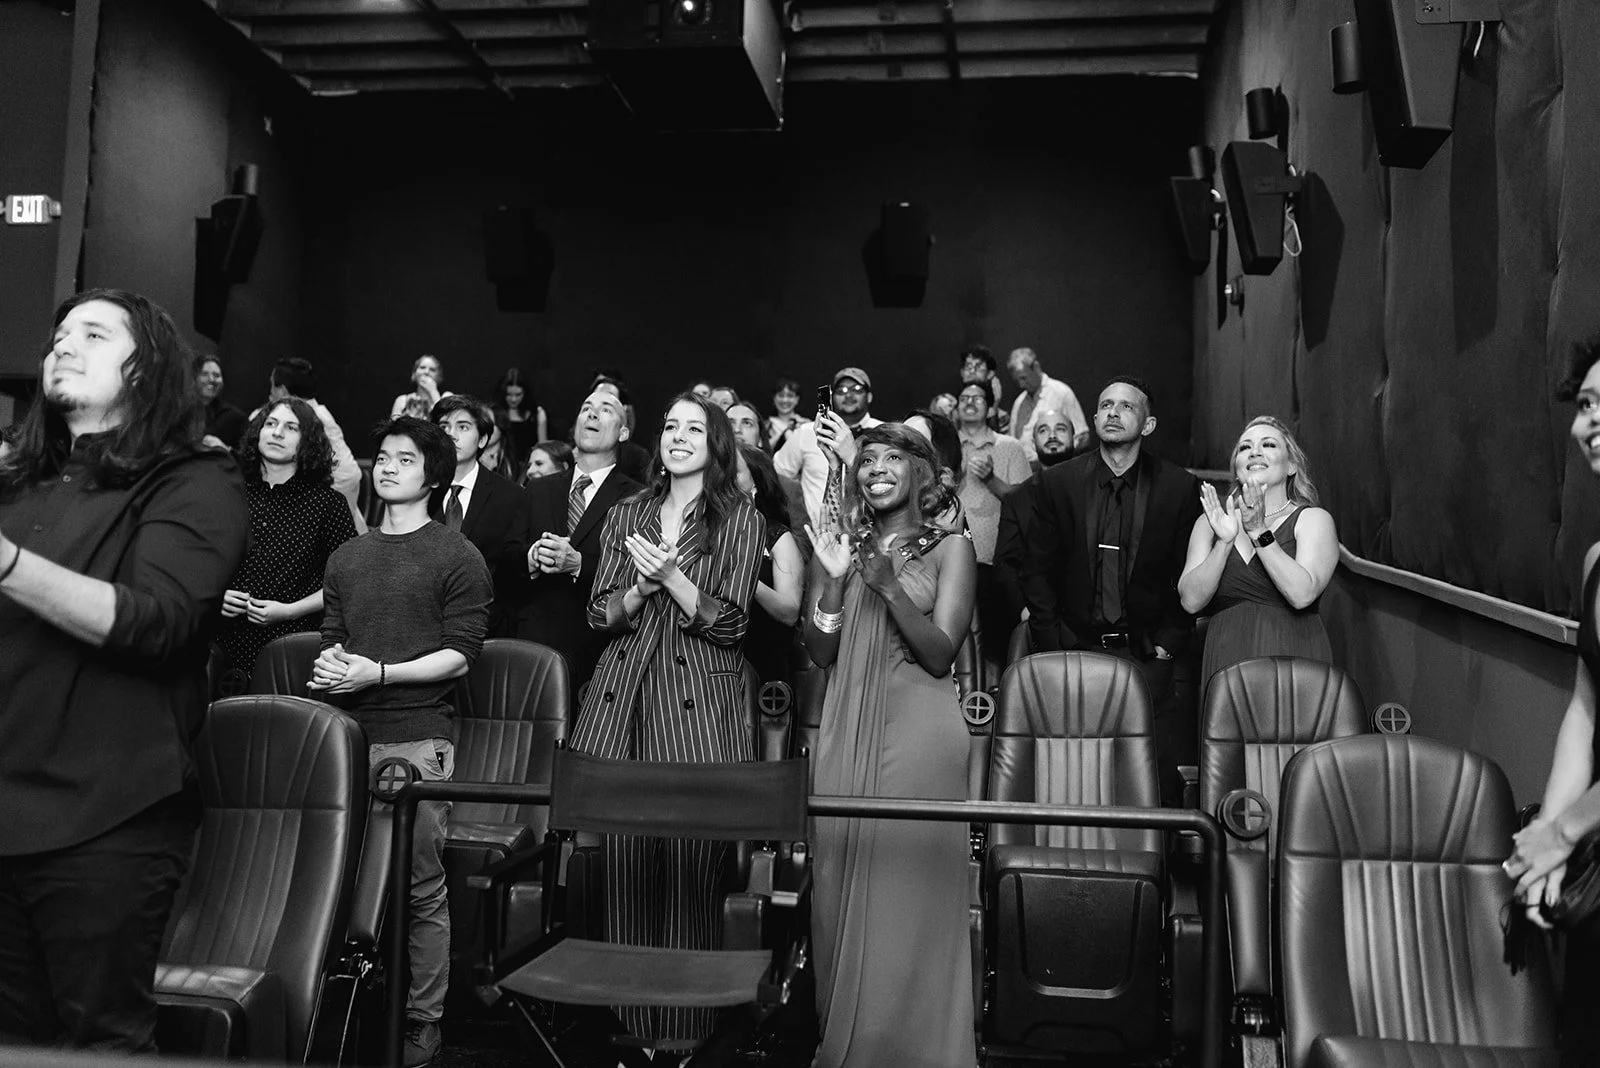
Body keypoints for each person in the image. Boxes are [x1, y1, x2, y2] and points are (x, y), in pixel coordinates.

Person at [0, 288, 249, 1051]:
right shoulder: (21, 483)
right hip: (4, 806)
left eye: (94, 334)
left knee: (100, 1048)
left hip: (104, 820)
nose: (63, 345)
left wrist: (6, 563)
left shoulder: (195, 480)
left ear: (146, 372)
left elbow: (162, 624)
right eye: (59, 335)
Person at [569, 392, 764, 1046]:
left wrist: (675, 578)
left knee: (690, 872)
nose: (679, 436)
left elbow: (733, 624)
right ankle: (632, 1037)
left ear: (716, 444)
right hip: (624, 700)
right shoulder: (628, 510)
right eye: (671, 425)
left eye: (695, 427)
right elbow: (598, 615)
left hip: (699, 708)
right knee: (624, 872)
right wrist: (640, 587)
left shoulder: (738, 516)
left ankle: (682, 1040)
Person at [311, 416, 491, 1068]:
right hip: (345, 738)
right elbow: (335, 638)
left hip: (416, 739)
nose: (386, 468)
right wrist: (332, 666)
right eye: (381, 457)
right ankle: (332, 1019)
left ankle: (422, 1027)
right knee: (332, 886)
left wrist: (378, 672)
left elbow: (460, 659)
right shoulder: (348, 556)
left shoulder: (456, 555)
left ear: (433, 474)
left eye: (404, 459)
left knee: (418, 890)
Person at [803, 423, 978, 1068]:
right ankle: (846, 1041)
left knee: (906, 890)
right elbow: (821, 650)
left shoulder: (949, 547)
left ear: (921, 473)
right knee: (838, 881)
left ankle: (914, 1048)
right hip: (845, 724)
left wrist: (885, 584)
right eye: (867, 459)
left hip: (919, 731)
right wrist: (831, 581)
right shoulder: (845, 544)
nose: (876, 467)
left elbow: (941, 653)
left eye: (893, 457)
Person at [1022, 377, 1200, 802]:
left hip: (1145, 656)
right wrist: (1050, 642)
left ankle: (1147, 865)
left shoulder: (1178, 488)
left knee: (1144, 782)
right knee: (1069, 771)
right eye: (1105, 405)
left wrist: (1169, 646)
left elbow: (1188, 573)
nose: (1113, 413)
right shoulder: (1058, 483)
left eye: (1126, 406)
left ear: (1149, 424)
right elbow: (1037, 570)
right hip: (1072, 649)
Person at [1506, 338, 1600, 1066]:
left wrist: (1564, 832)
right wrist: (1547, 856)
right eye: (1585, 405)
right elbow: (1585, 711)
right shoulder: (1598, 559)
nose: (1583, 423)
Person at [1178, 416, 1336, 689]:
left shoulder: (1313, 520)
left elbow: (1302, 595)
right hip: (1225, 661)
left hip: (1294, 660)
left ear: (1291, 466)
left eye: (1269, 445)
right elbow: (1190, 601)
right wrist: (1224, 543)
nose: (1255, 451)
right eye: (1244, 447)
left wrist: (1258, 531)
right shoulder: (1211, 523)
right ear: (1236, 467)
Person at [216, 398, 358, 681]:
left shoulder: (328, 504)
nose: (277, 432)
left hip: (293, 647)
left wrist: (290, 611)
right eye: (271, 424)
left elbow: (346, 582)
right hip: (222, 642)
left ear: (308, 442)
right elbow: (199, 564)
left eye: (291, 427)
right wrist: (215, 595)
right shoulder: (226, 495)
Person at [517, 390, 642, 690]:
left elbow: (636, 575)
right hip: (535, 644)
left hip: (599, 648)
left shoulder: (638, 497)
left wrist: (578, 564)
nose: (593, 413)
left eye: (606, 409)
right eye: (586, 407)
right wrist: (531, 557)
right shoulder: (538, 489)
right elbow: (507, 557)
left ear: (624, 432)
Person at [430, 395, 531, 637]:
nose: (451, 435)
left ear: (483, 438)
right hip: (423, 623)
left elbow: (513, 571)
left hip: (488, 628)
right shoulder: (419, 488)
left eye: (462, 427)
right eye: (443, 427)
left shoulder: (511, 496)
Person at [954, 379, 1031, 663]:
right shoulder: (947, 447)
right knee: (958, 643)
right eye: (963, 398)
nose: (969, 402)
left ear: (990, 409)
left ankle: (998, 701)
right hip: (952, 558)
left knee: (996, 646)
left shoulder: (1009, 447)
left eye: (977, 398)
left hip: (994, 563)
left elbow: (1024, 504)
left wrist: (990, 480)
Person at [993, 408, 1077, 630]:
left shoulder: (1097, 488)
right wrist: (1024, 608)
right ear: (1033, 442)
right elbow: (1005, 564)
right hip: (1036, 617)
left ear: (1074, 438)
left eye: (1060, 429)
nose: (1052, 436)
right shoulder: (1017, 499)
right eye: (1043, 430)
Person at [261, 357, 364, 532]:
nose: (269, 392)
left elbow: (347, 476)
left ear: (283, 390)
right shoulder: (313, 411)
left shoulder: (313, 417)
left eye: (272, 385)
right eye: (271, 424)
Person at [775, 367, 881, 530]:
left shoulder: (884, 433)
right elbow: (778, 475)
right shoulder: (807, 432)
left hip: (874, 531)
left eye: (857, 389)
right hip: (816, 536)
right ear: (831, 398)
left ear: (870, 396)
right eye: (841, 390)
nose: (848, 395)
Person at [737, 443, 803, 686]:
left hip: (764, 668)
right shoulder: (701, 531)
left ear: (756, 483)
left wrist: (745, 576)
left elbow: (790, 612)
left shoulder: (776, 536)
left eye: (732, 470)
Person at [1007, 346, 1089, 462]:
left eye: (1024, 378)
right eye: (1017, 381)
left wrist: (1057, 457)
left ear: (1036, 367)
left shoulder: (1061, 393)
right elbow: (1012, 441)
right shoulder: (1019, 403)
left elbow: (1083, 436)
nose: (1021, 385)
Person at [491, 368, 547, 482]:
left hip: (528, 471)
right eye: (509, 394)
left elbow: (543, 448)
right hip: (501, 468)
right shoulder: (495, 414)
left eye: (518, 394)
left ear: (525, 393)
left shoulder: (537, 415)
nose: (513, 399)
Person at [195, 354, 247, 449]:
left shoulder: (235, 418)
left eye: (216, 375)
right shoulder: (179, 412)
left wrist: (223, 448)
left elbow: (243, 457)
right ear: (193, 378)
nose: (211, 379)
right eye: (204, 374)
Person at [958, 344, 1007, 432]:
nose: (972, 371)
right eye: (968, 367)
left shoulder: (1002, 417)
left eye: (978, 367)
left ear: (990, 374)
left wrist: (994, 409)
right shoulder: (952, 412)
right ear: (962, 373)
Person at [390, 354, 452, 419]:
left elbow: (445, 422)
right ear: (414, 373)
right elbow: (393, 426)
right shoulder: (402, 400)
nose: (426, 372)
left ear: (439, 376)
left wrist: (433, 392)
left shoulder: (446, 397)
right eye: (422, 367)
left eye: (432, 370)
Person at [767, 378, 810, 452]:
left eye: (790, 396)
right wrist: (786, 431)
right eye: (781, 395)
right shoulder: (766, 426)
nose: (785, 400)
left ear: (797, 399)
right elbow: (763, 451)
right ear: (774, 398)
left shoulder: (806, 424)